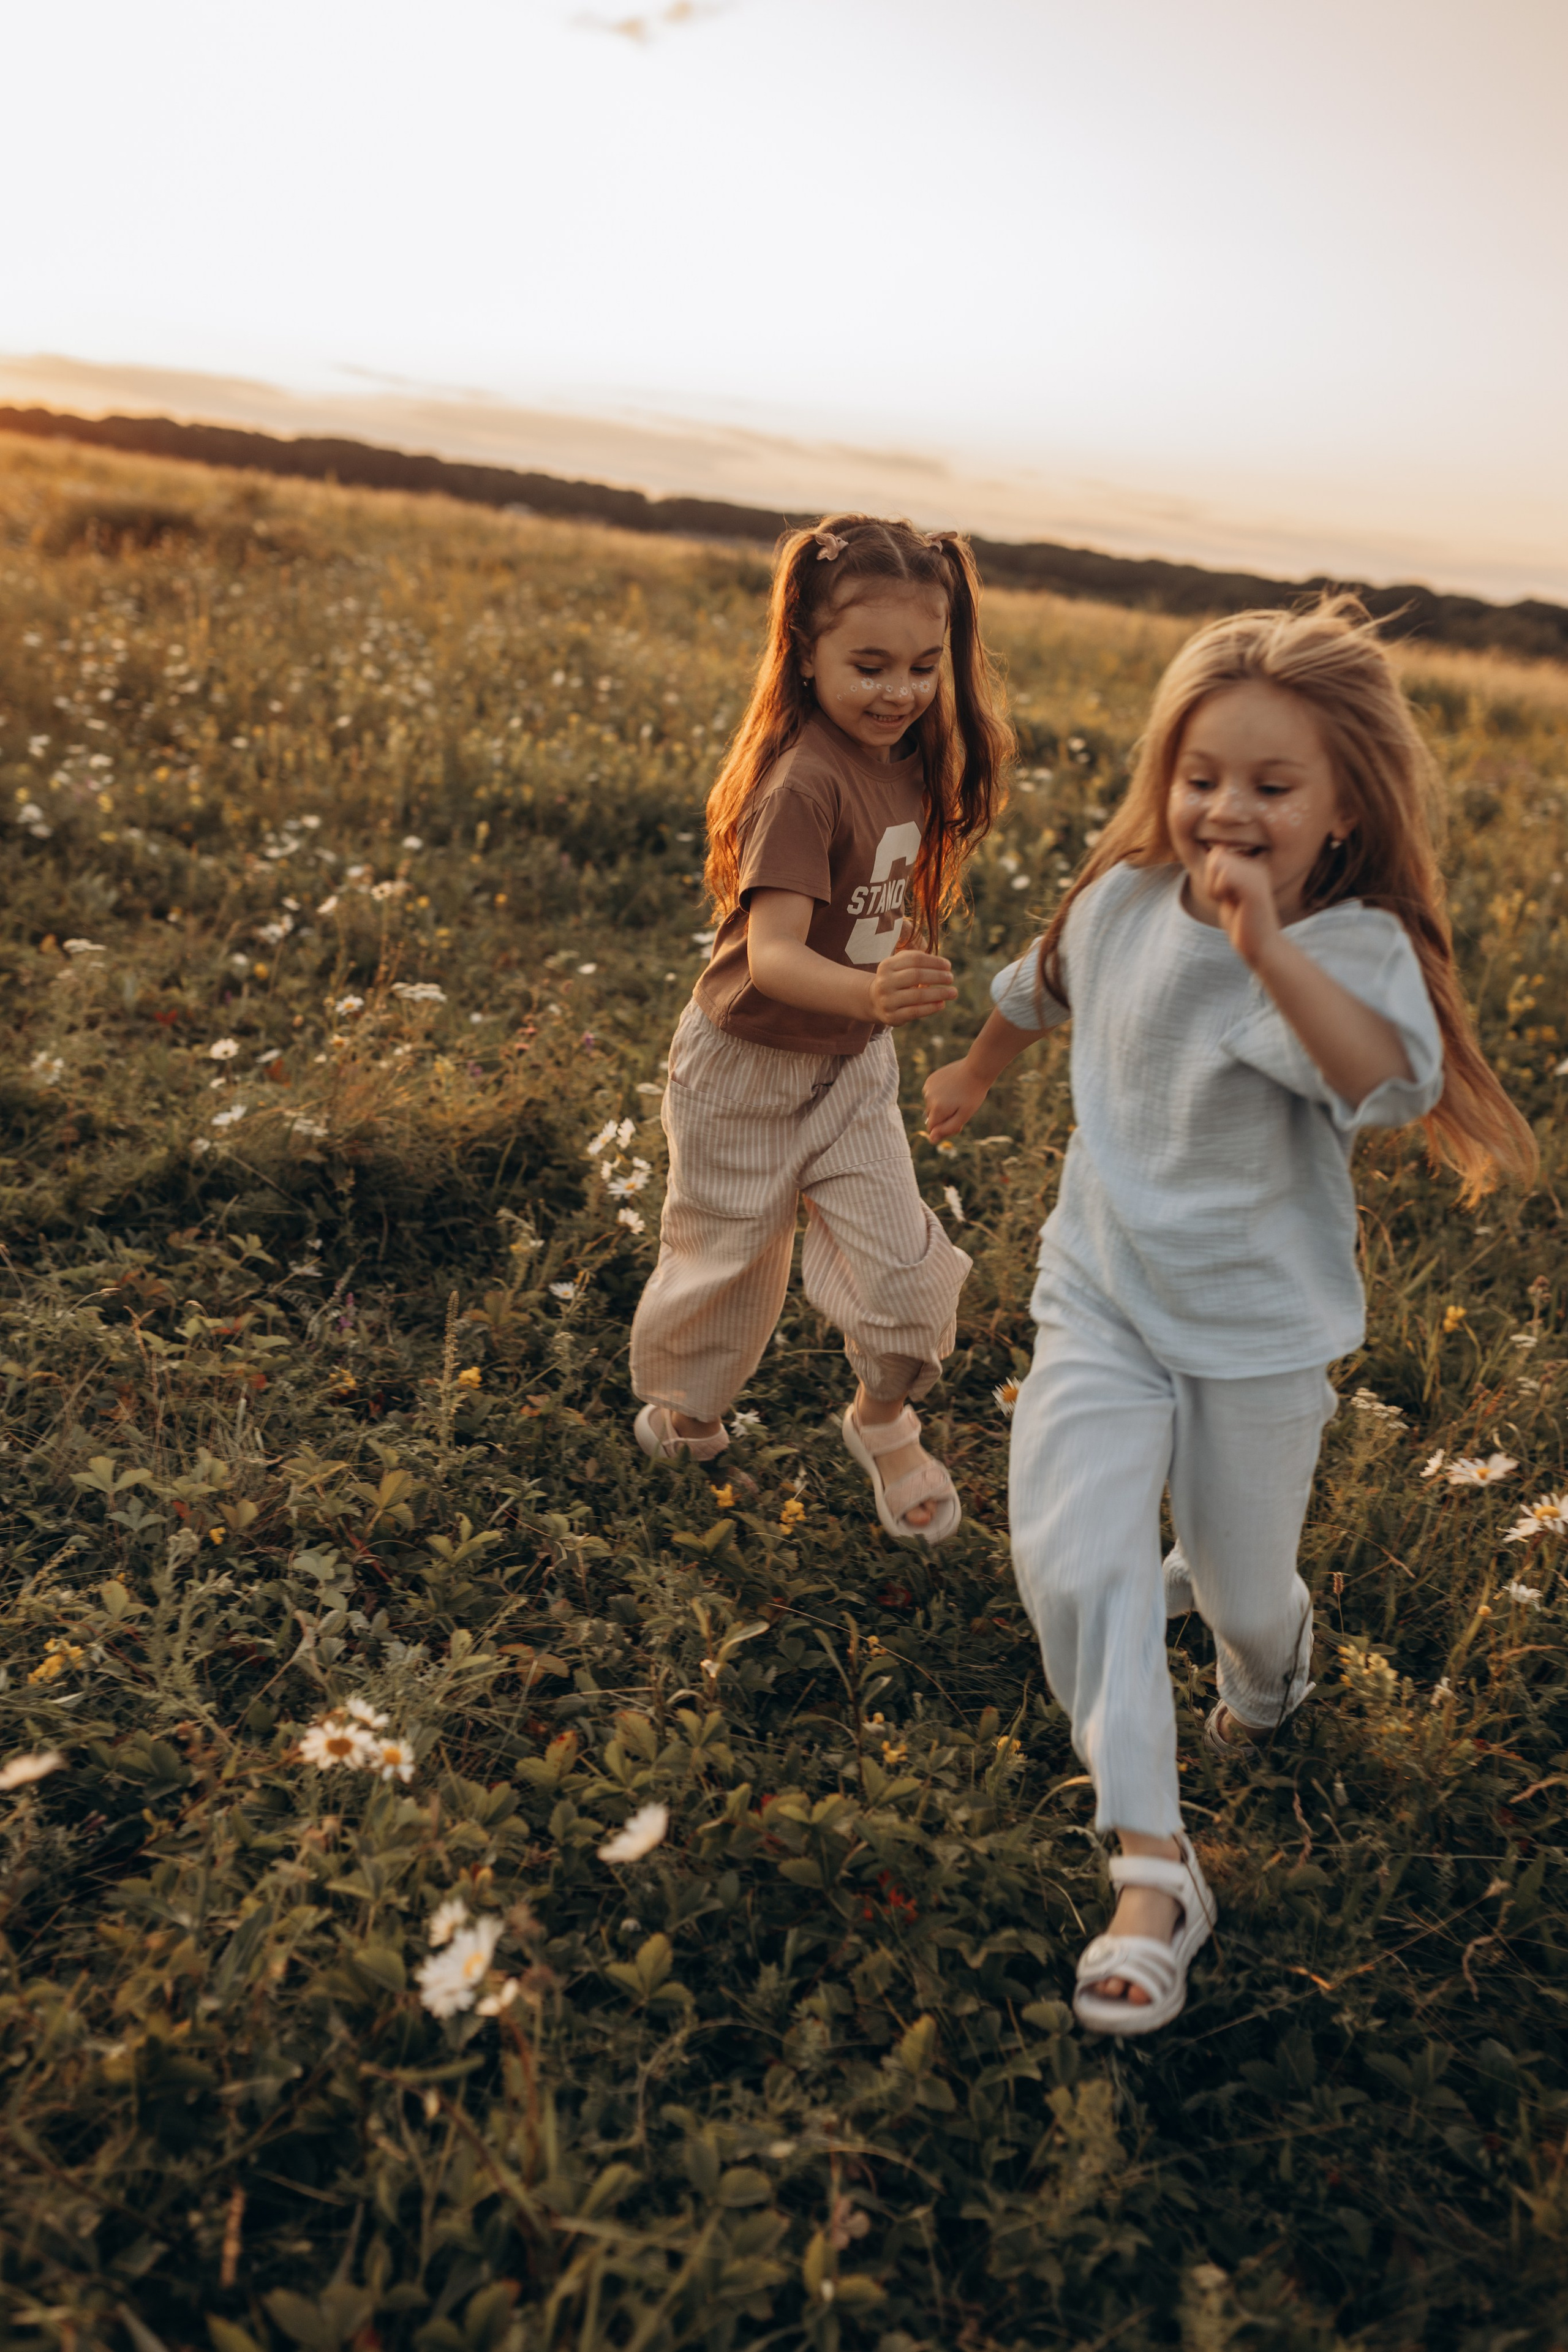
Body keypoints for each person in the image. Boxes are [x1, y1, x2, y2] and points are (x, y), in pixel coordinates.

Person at [924, 598, 1536, 2032]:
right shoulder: (1121, 899)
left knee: (1244, 1589)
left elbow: (1377, 1080)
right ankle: (1152, 1868)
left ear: (1338, 812)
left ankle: (1269, 1668)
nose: (1226, 810)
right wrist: (970, 1075)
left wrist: (1265, 947)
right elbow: (1032, 988)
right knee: (1076, 1563)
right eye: (1203, 777)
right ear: (1165, 775)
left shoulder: (1350, 940)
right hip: (1102, 1297)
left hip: (1256, 1332)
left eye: (1271, 787)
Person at [630, 513, 1012, 1543]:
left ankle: (883, 1422)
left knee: (906, 1274)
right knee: (726, 1267)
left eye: (925, 666)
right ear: (805, 654)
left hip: (847, 1073)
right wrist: (869, 994)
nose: (901, 691)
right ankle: (687, 1419)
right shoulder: (801, 781)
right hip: (745, 1069)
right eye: (871, 665)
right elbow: (774, 958)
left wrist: (875, 1011)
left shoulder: (911, 760)